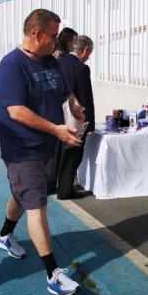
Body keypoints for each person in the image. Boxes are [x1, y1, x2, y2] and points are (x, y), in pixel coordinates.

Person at [0, 8, 86, 295]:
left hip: (45, 145)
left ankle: (4, 234)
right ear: (37, 34)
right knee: (37, 204)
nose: (57, 42)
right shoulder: (11, 65)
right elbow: (17, 111)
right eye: (54, 36)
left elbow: (63, 91)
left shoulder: (50, 62)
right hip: (21, 147)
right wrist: (57, 130)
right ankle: (53, 274)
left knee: (24, 192)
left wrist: (73, 103)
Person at [48, 35, 95, 199]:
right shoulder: (81, 68)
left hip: (56, 114)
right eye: (89, 53)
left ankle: (50, 184)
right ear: (86, 50)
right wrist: (90, 124)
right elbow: (85, 97)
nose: (88, 57)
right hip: (75, 116)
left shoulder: (58, 61)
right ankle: (65, 190)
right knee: (73, 152)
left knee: (57, 151)